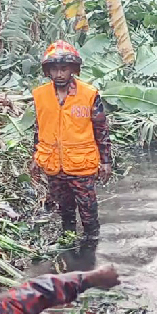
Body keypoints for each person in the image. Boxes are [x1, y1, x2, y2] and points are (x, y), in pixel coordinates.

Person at [30, 41, 112, 238]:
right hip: (53, 164)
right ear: (48, 71)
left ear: (73, 70)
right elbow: (39, 128)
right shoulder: (40, 95)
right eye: (55, 69)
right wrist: (35, 156)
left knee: (88, 210)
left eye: (64, 69)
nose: (59, 74)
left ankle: (91, 247)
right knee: (64, 209)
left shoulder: (89, 95)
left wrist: (106, 162)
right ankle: (69, 242)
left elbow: (101, 129)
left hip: (81, 165)